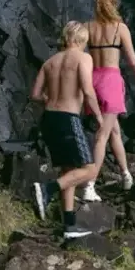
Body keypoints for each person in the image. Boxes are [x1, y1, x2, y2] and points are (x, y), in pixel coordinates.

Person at [31, 20, 102, 238]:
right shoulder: (84, 58)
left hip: (49, 118)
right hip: (68, 118)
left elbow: (34, 95)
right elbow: (88, 90)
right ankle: (47, 190)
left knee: (68, 171)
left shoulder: (50, 62)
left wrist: (51, 100)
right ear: (81, 40)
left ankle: (69, 226)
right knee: (90, 170)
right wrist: (98, 116)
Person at [81, 0, 135, 202]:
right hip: (110, 81)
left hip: (93, 80)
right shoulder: (121, 28)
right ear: (113, 6)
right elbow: (132, 60)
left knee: (114, 131)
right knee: (102, 135)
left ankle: (126, 175)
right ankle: (89, 185)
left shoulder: (87, 27)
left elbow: (77, 54)